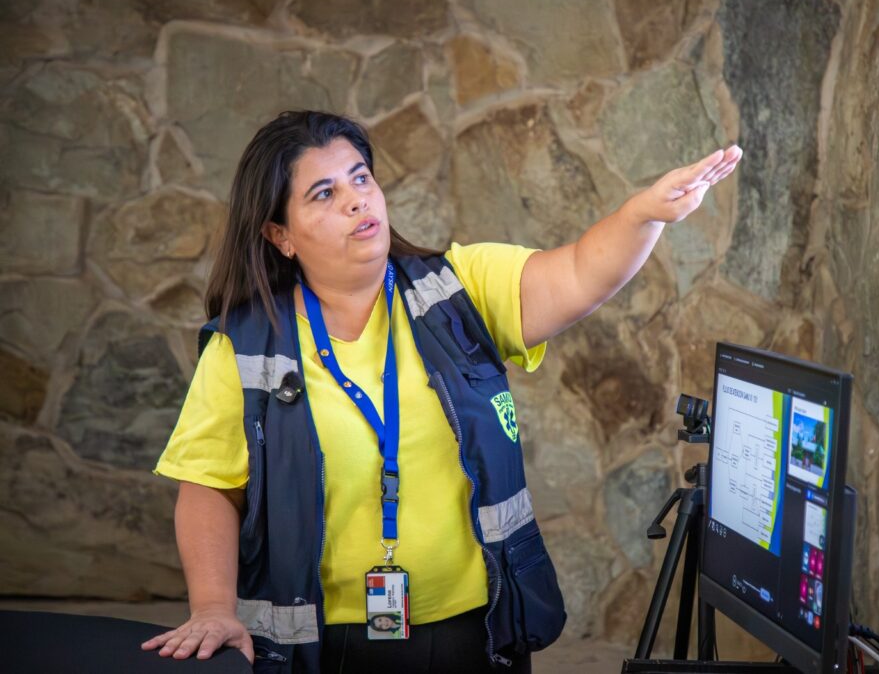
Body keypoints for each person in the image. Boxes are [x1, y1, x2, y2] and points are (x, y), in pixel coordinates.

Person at [141, 110, 741, 673]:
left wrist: (644, 214)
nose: (357, 199)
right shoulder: (245, 346)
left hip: (473, 630)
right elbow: (209, 488)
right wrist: (214, 606)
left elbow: (583, 271)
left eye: (361, 178)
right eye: (325, 194)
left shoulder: (460, 289)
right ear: (281, 235)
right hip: (321, 643)